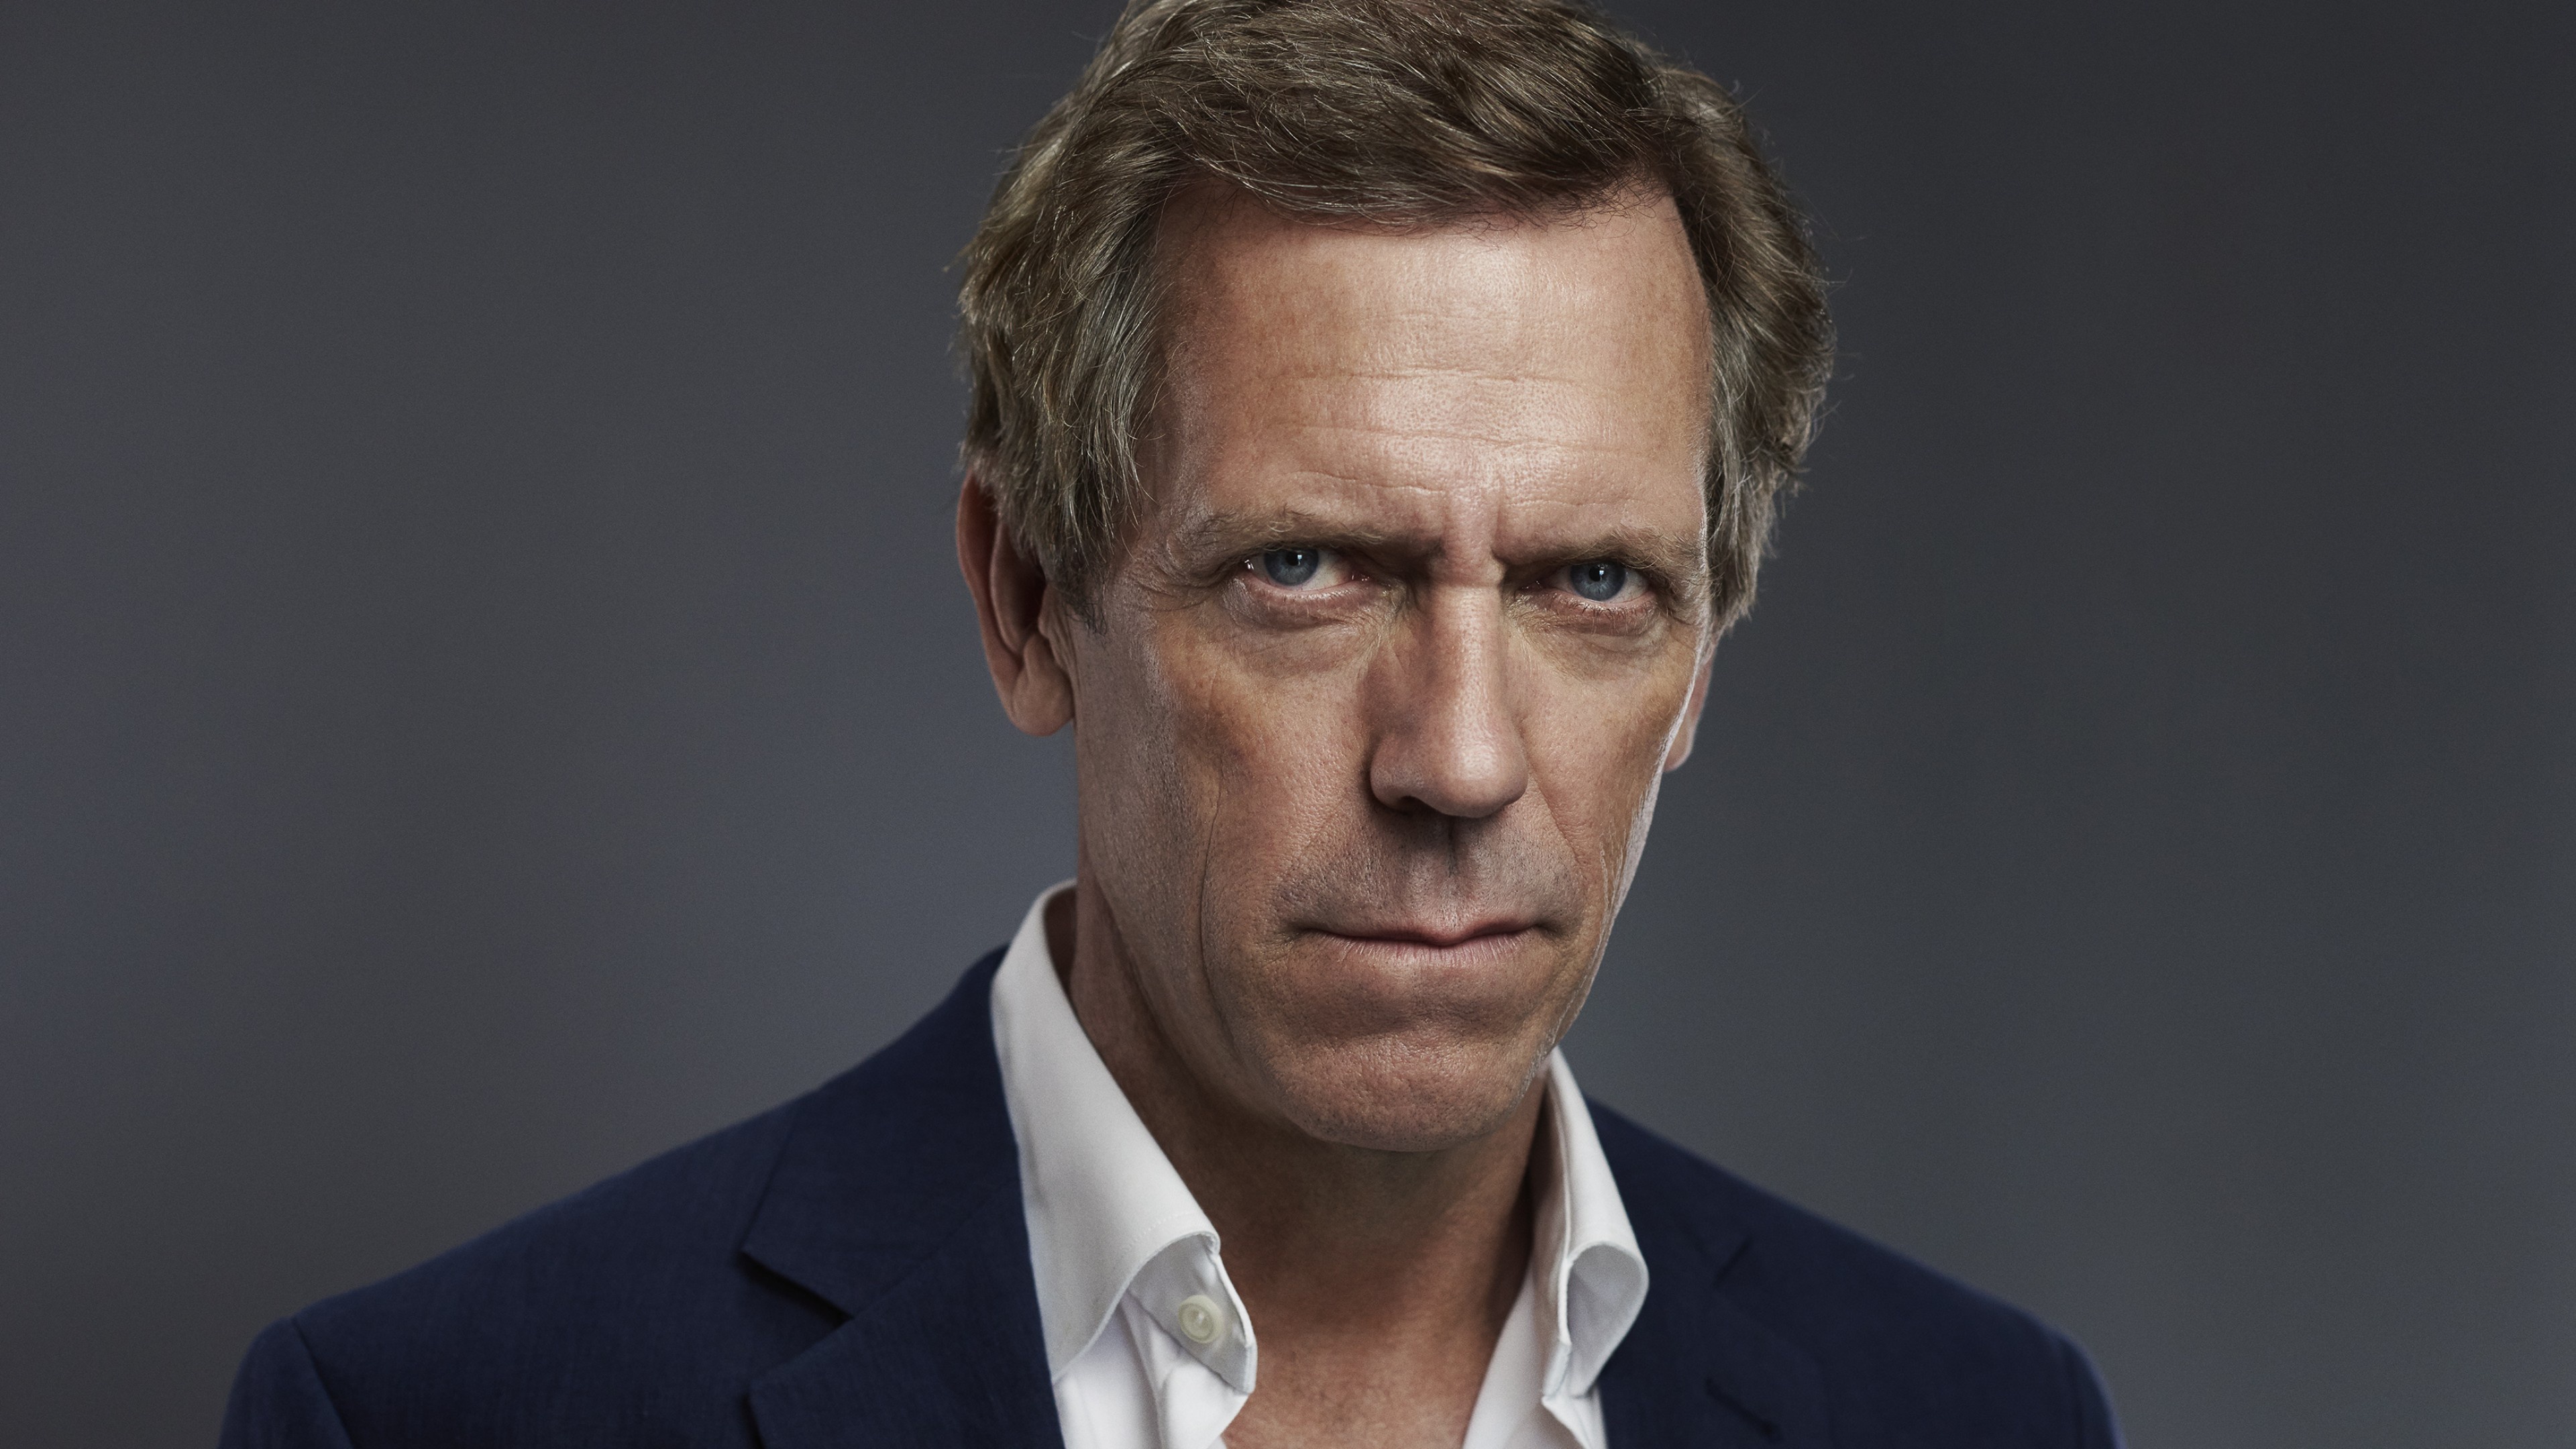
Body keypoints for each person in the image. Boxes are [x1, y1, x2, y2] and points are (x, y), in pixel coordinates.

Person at [221, 1, 2121, 1445]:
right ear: (1028, 603)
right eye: (1306, 569)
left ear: (1701, 657)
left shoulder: (1978, 1416)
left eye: (1594, 584)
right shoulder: (434, 1416)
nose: (1459, 759)